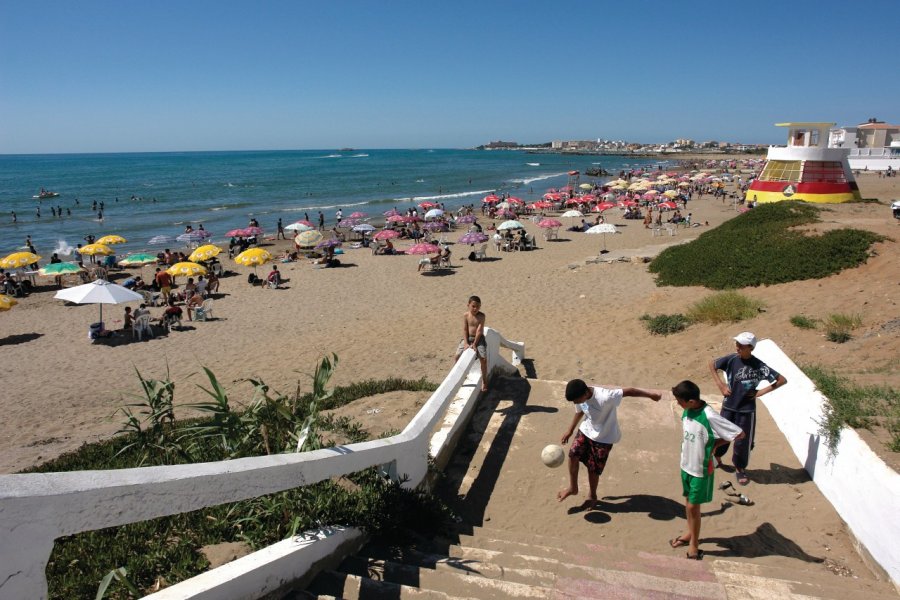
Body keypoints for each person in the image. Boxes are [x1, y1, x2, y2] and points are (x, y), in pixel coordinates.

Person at [669, 380, 744, 560]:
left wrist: (713, 446)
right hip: (686, 464)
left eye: (680, 401)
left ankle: (694, 543)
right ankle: (689, 533)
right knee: (688, 503)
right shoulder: (688, 411)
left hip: (701, 469)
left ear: (692, 401)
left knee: (693, 506)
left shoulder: (709, 415)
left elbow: (738, 433)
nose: (679, 405)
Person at [557, 378, 661, 508]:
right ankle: (573, 488)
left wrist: (651, 395)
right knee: (573, 454)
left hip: (604, 437)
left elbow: (630, 391)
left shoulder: (605, 396)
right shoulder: (579, 396)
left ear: (585, 393)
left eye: (577, 400)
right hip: (586, 430)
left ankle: (592, 495)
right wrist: (570, 430)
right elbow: (580, 411)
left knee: (593, 469)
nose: (575, 403)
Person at [709, 332, 787, 486]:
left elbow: (781, 380)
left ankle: (739, 468)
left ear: (750, 347)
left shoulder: (759, 366)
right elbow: (712, 364)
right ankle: (716, 458)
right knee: (721, 434)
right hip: (729, 406)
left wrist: (760, 393)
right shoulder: (731, 359)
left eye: (741, 345)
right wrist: (721, 385)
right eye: (737, 344)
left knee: (743, 441)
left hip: (747, 410)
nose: (737, 347)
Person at [454, 295, 488, 392]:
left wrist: (475, 344)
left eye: (478, 306)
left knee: (484, 359)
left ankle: (485, 381)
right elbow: (465, 329)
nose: (475, 308)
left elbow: (479, 331)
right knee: (457, 357)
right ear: (468, 305)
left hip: (479, 339)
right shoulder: (466, 316)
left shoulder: (481, 316)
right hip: (467, 338)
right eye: (473, 306)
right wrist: (466, 343)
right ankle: (459, 377)